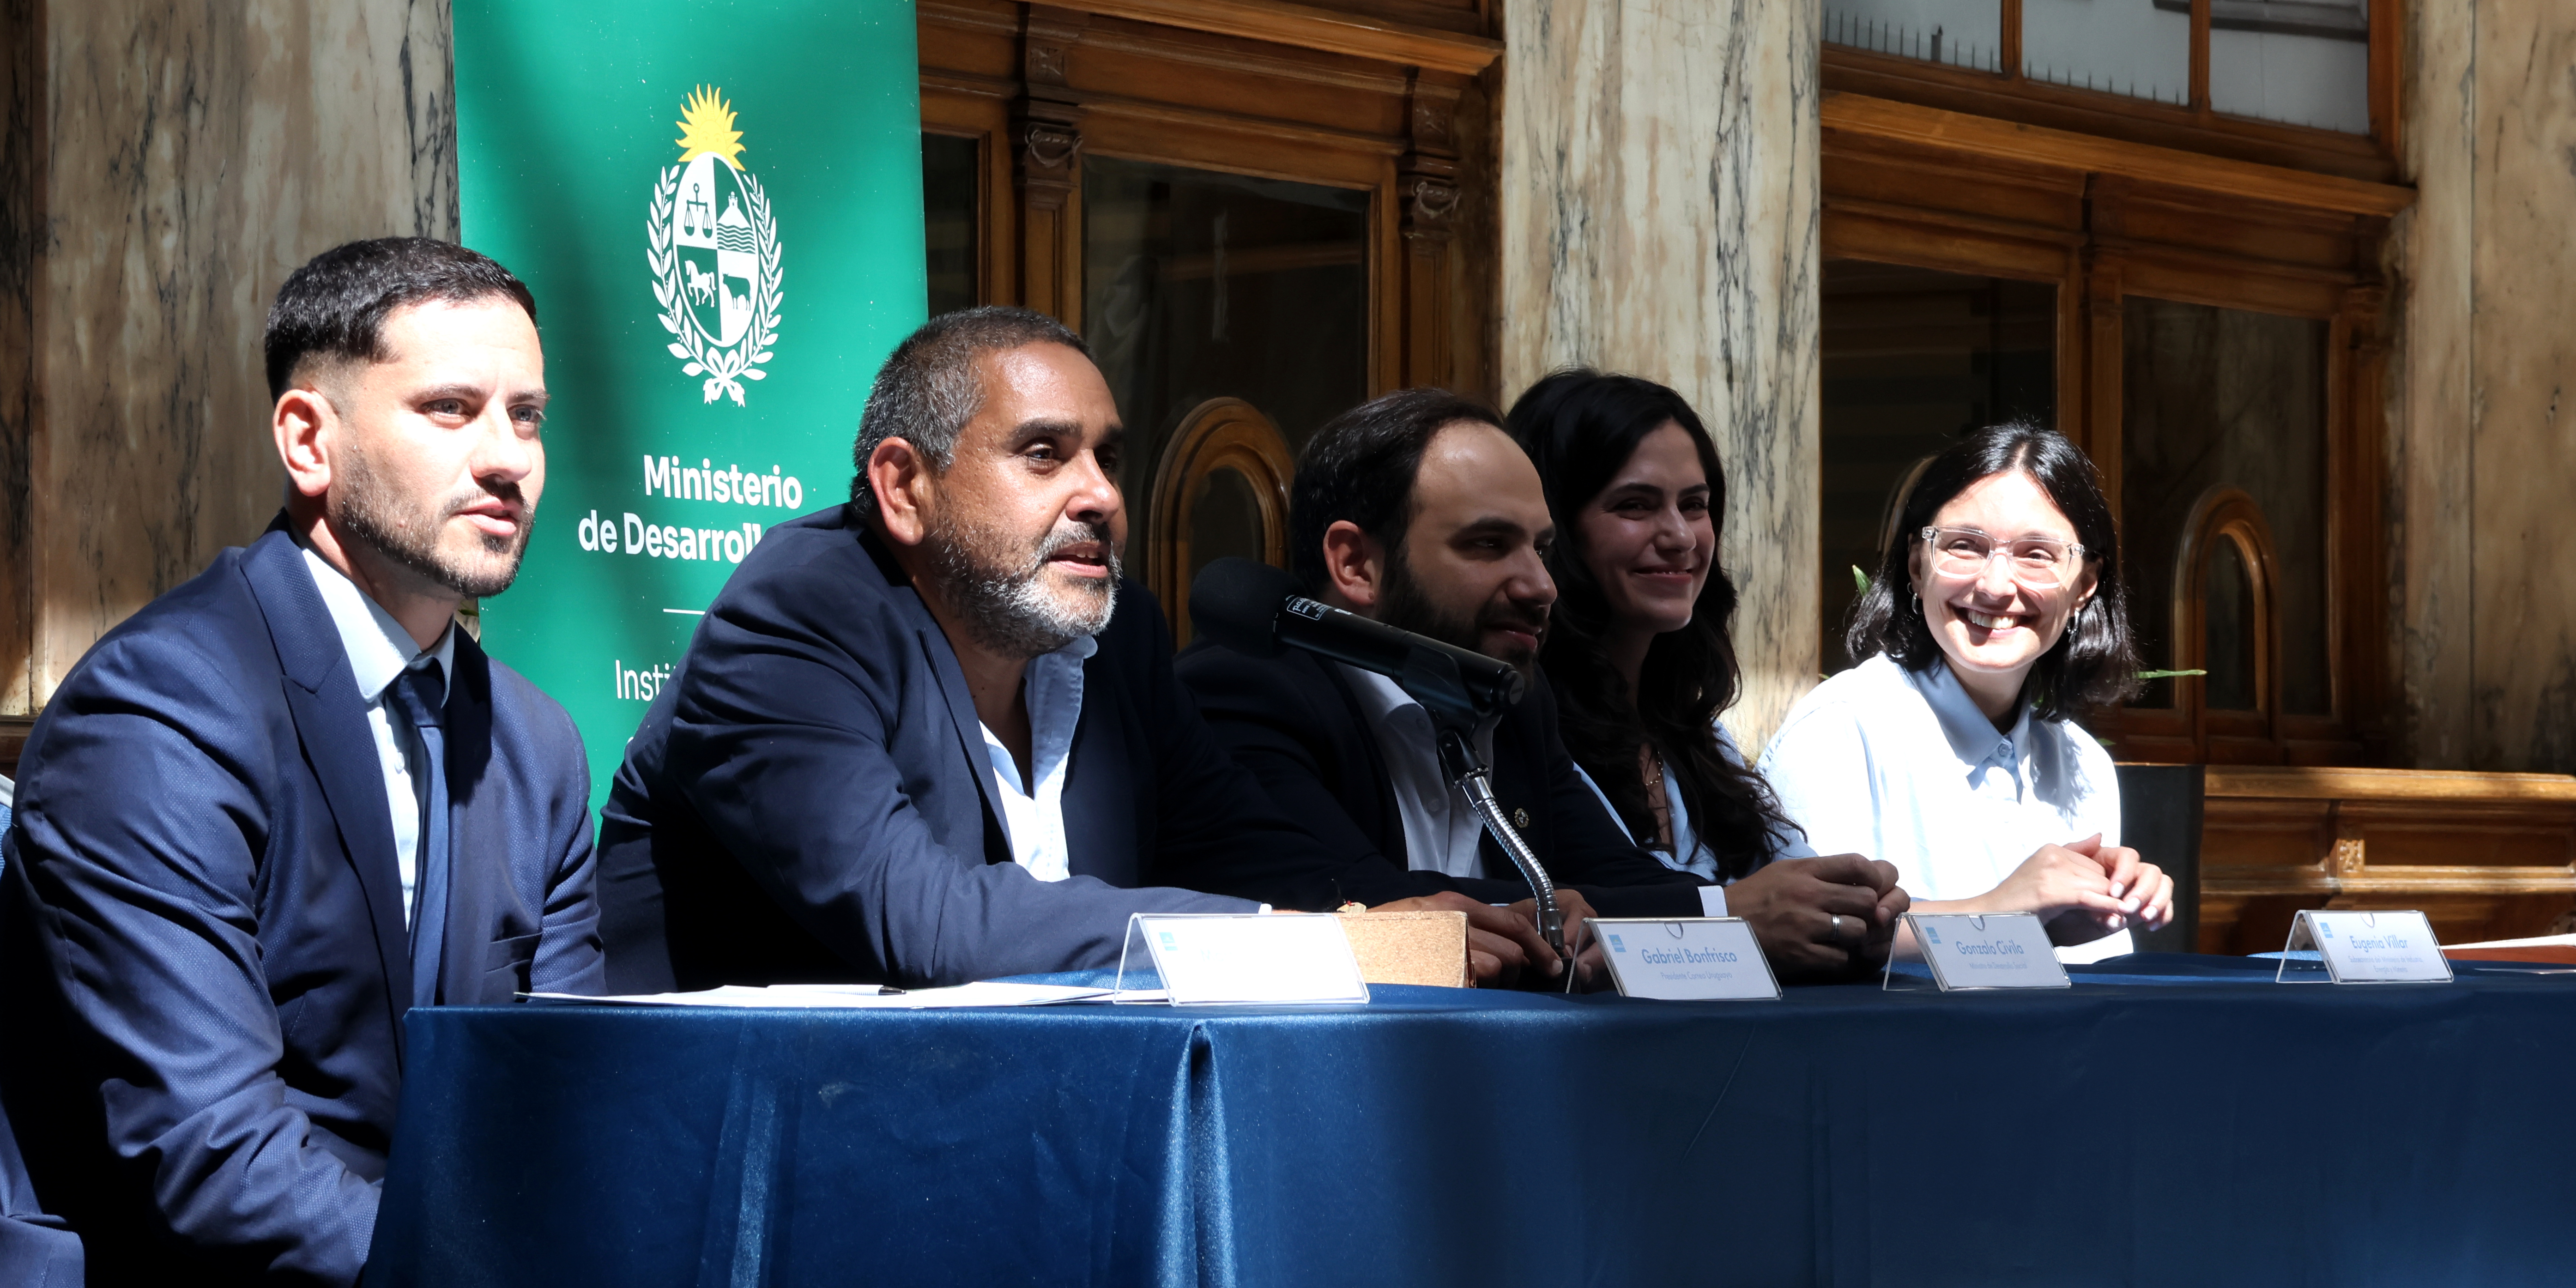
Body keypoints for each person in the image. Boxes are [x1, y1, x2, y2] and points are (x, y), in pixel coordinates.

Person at [0, 238, 602, 1288]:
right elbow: (209, 1161)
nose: (509, 458)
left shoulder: (535, 746)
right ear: (308, 440)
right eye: (451, 410)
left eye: (528, 415)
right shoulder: (163, 710)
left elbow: (575, 1108)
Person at [599, 306, 1380, 989]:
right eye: (1045, 454)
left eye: (1108, 459)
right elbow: (928, 924)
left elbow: (1238, 847)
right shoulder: (798, 619)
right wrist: (1273, 937)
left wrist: (1399, 914)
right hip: (754, 1129)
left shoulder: (1120, 635)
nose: (1102, 495)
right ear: (905, 488)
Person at [1179, 390, 1905, 984]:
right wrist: (1732, 916)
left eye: (1544, 549)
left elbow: (1614, 880)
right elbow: (1367, 902)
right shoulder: (1244, 693)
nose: (1541, 587)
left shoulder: (1516, 702)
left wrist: (1814, 910)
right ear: (1355, 565)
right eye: (1490, 546)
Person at [1506, 369, 1905, 973]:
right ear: (1550, 530)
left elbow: (1791, 890)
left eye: (1695, 505)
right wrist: (1741, 917)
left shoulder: (1695, 731)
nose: (1679, 536)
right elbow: (1603, 918)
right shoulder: (1518, 724)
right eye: (1635, 505)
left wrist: (1854, 912)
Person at [1760, 420, 2172, 962]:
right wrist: (2003, 910)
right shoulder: (1842, 730)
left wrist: (2111, 903)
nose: (1996, 584)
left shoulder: (2084, 765)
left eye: (2037, 554)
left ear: (2085, 584)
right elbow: (1813, 941)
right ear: (1916, 564)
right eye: (1964, 546)